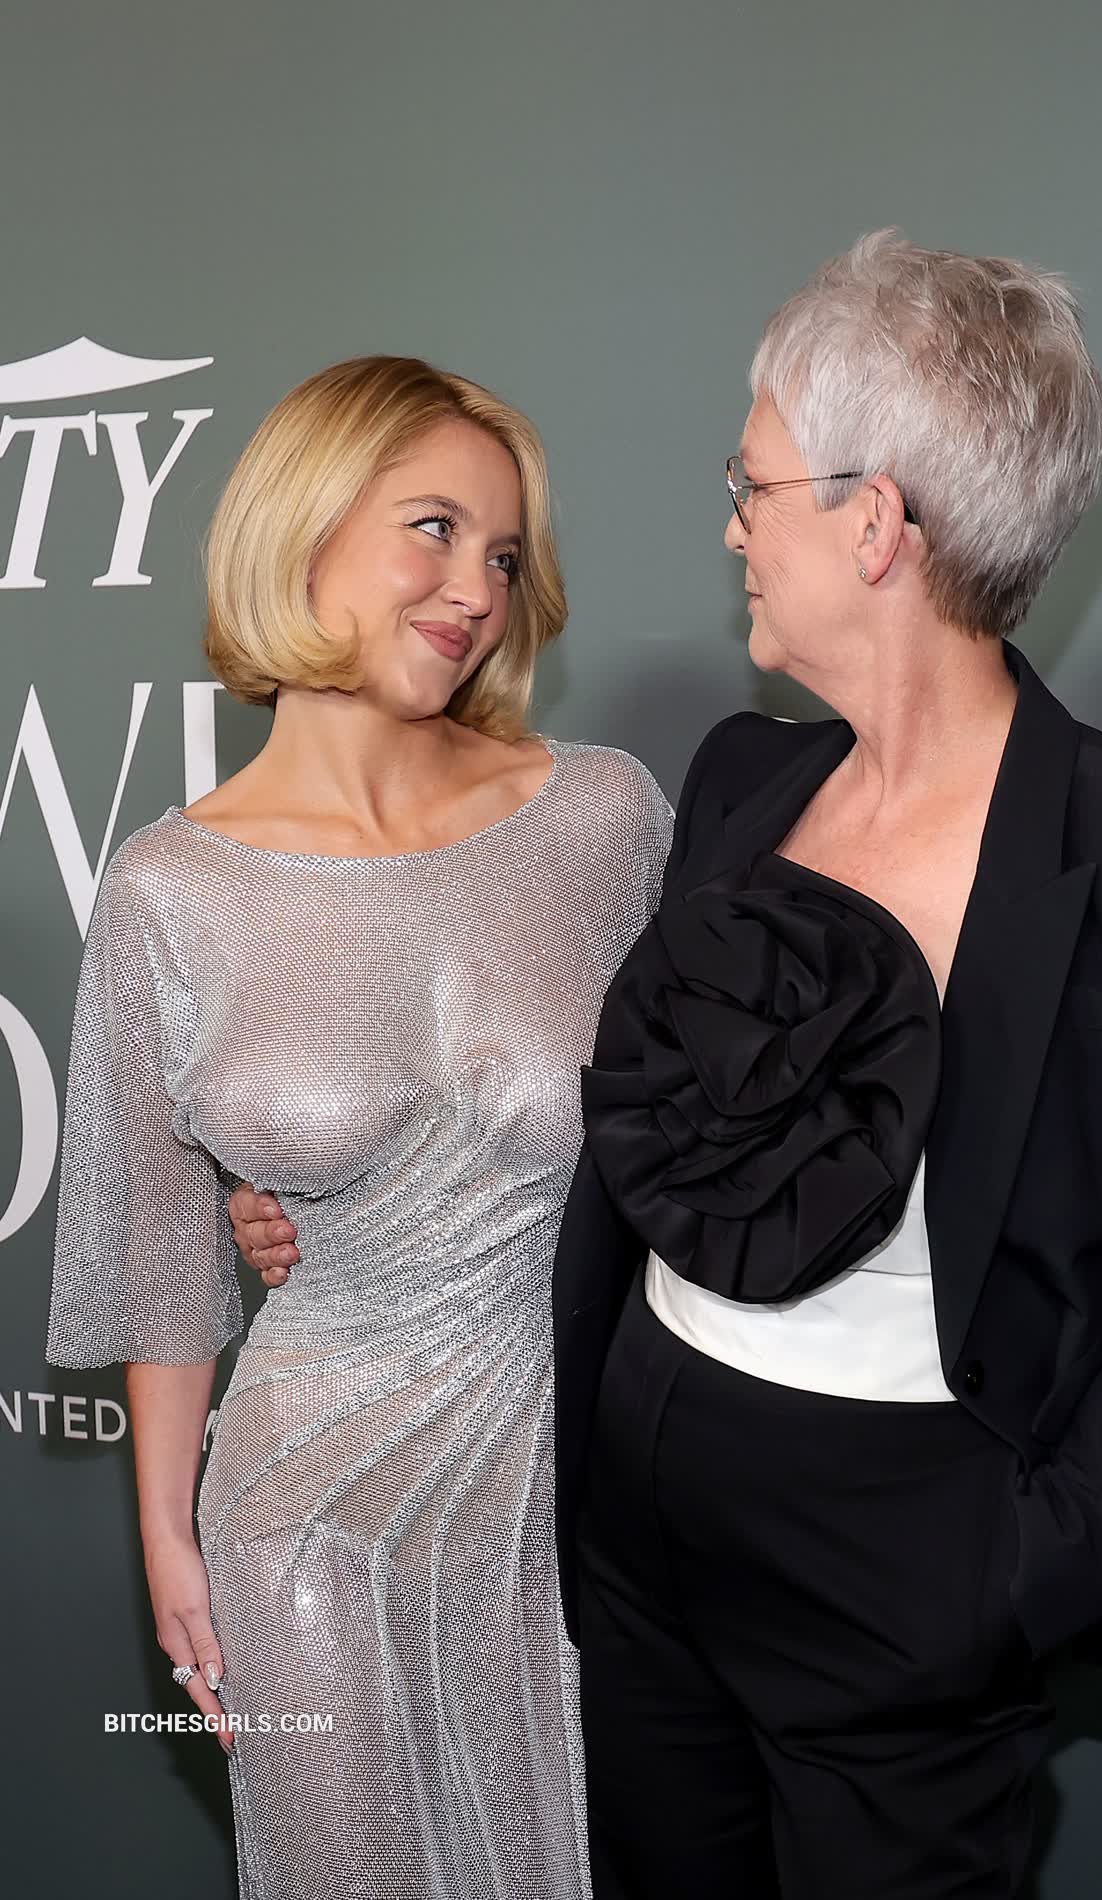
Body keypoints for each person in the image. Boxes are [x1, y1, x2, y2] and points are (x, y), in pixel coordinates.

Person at [229, 235, 1102, 1900]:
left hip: (915, 1564)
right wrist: (322, 1197)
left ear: (875, 522)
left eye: (753, 487)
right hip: (642, 1524)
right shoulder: (742, 783)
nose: (733, 527)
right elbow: (603, 1101)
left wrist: (1010, 1579)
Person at [45, 354, 672, 1900]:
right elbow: (160, 1253)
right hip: (302, 1512)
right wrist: (170, 1539)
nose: (476, 590)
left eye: (504, 555)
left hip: (576, 1496)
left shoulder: (604, 819)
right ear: (303, 525)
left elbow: (702, 1151)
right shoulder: (166, 892)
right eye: (434, 529)